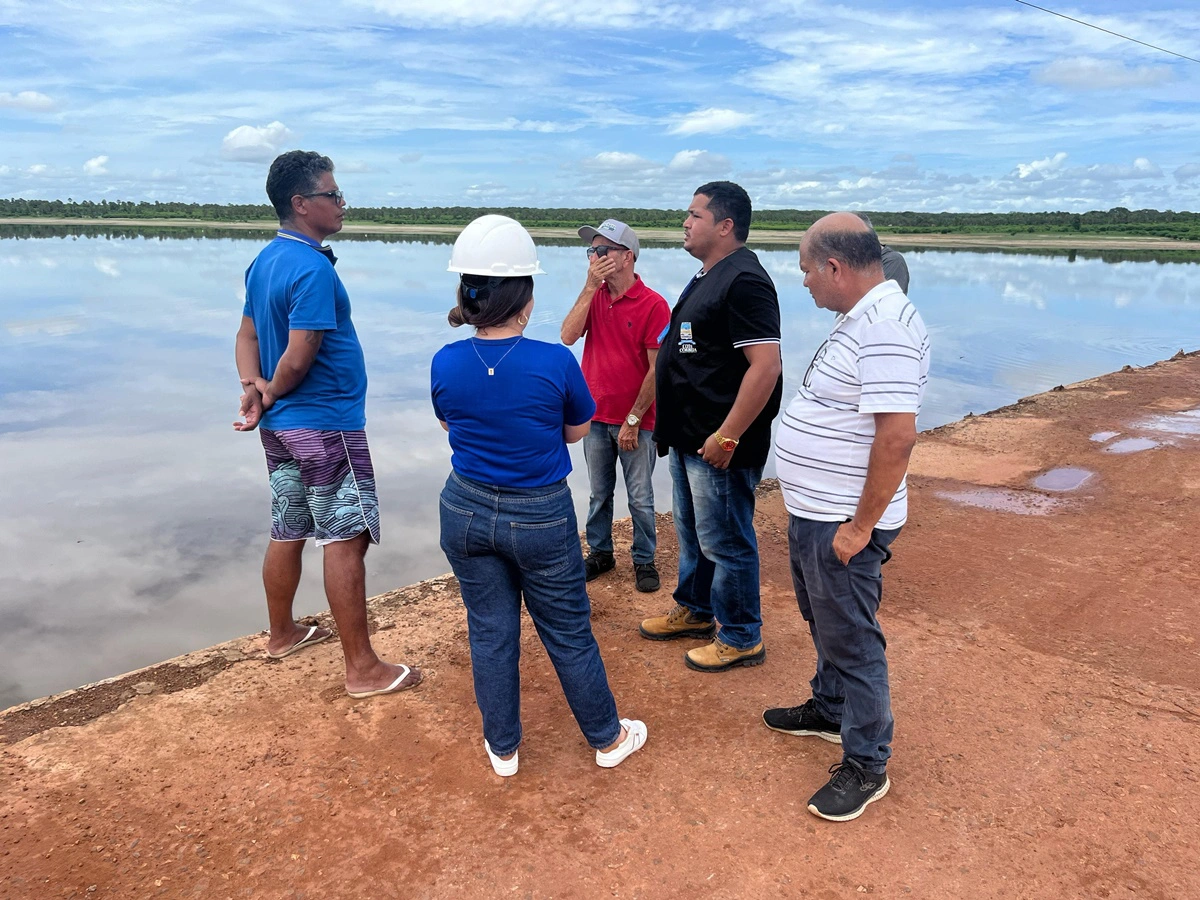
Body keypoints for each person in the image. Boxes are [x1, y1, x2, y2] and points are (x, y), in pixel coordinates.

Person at [432, 214, 647, 777]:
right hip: (539, 515)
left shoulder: (445, 360)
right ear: (525, 298)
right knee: (568, 630)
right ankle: (606, 737)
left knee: (490, 628)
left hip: (464, 508)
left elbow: (451, 426)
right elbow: (576, 431)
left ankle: (503, 748)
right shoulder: (554, 361)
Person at [233, 150, 421, 698]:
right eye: (332, 195)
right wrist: (269, 386)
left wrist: (253, 388)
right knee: (346, 537)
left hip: (281, 427)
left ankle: (282, 633)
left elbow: (247, 336)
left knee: (288, 525)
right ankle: (362, 669)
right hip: (325, 423)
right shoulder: (311, 266)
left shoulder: (264, 261)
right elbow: (301, 353)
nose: (342, 204)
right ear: (301, 204)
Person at [764, 212, 929, 822]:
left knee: (853, 638)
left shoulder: (883, 326)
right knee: (826, 619)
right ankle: (829, 709)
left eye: (807, 270)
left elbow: (896, 439)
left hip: (841, 521)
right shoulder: (860, 319)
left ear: (834, 266)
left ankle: (867, 763)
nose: (804, 281)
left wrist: (859, 528)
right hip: (819, 511)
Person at [643, 181, 783, 672]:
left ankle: (743, 634)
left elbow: (765, 366)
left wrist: (728, 435)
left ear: (725, 225)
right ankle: (698, 610)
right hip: (689, 438)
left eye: (695, 214)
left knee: (726, 538)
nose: (685, 222)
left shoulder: (744, 281)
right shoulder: (709, 275)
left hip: (719, 442)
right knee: (696, 533)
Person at [560, 219, 670, 593]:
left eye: (602, 250)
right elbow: (567, 336)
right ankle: (601, 554)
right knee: (598, 493)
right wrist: (590, 287)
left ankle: (644, 560)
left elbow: (658, 369)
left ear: (626, 257)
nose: (594, 257)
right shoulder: (595, 297)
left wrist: (635, 419)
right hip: (594, 417)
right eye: (591, 251)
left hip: (638, 420)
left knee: (640, 496)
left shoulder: (654, 305)